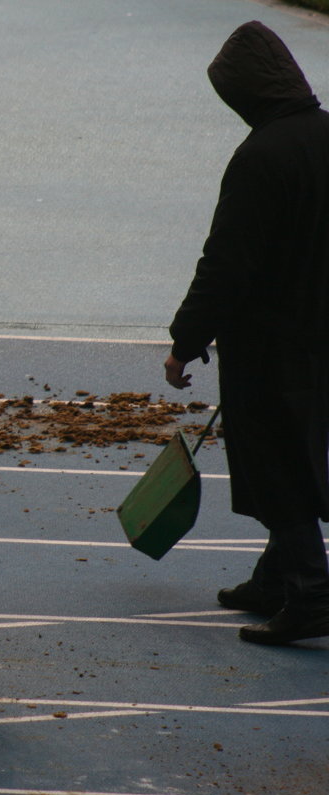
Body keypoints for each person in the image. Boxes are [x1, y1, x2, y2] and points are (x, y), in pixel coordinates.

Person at [166, 21, 329, 645]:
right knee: (295, 453)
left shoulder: (261, 156)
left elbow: (228, 262)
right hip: (319, 338)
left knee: (275, 463)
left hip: (271, 343)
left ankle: (311, 593)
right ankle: (275, 580)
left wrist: (185, 341)